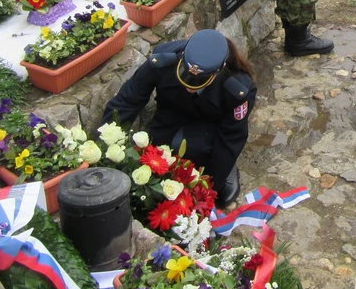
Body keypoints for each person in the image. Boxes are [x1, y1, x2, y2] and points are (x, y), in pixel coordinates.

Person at [101, 29, 256, 208]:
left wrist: (209, 186)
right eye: (187, 76)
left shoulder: (238, 89)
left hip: (209, 126)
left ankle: (227, 172)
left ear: (218, 72)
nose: (190, 86)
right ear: (182, 58)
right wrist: (105, 145)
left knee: (200, 161)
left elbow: (232, 137)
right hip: (172, 115)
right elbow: (127, 101)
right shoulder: (162, 61)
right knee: (158, 160)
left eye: (200, 81)